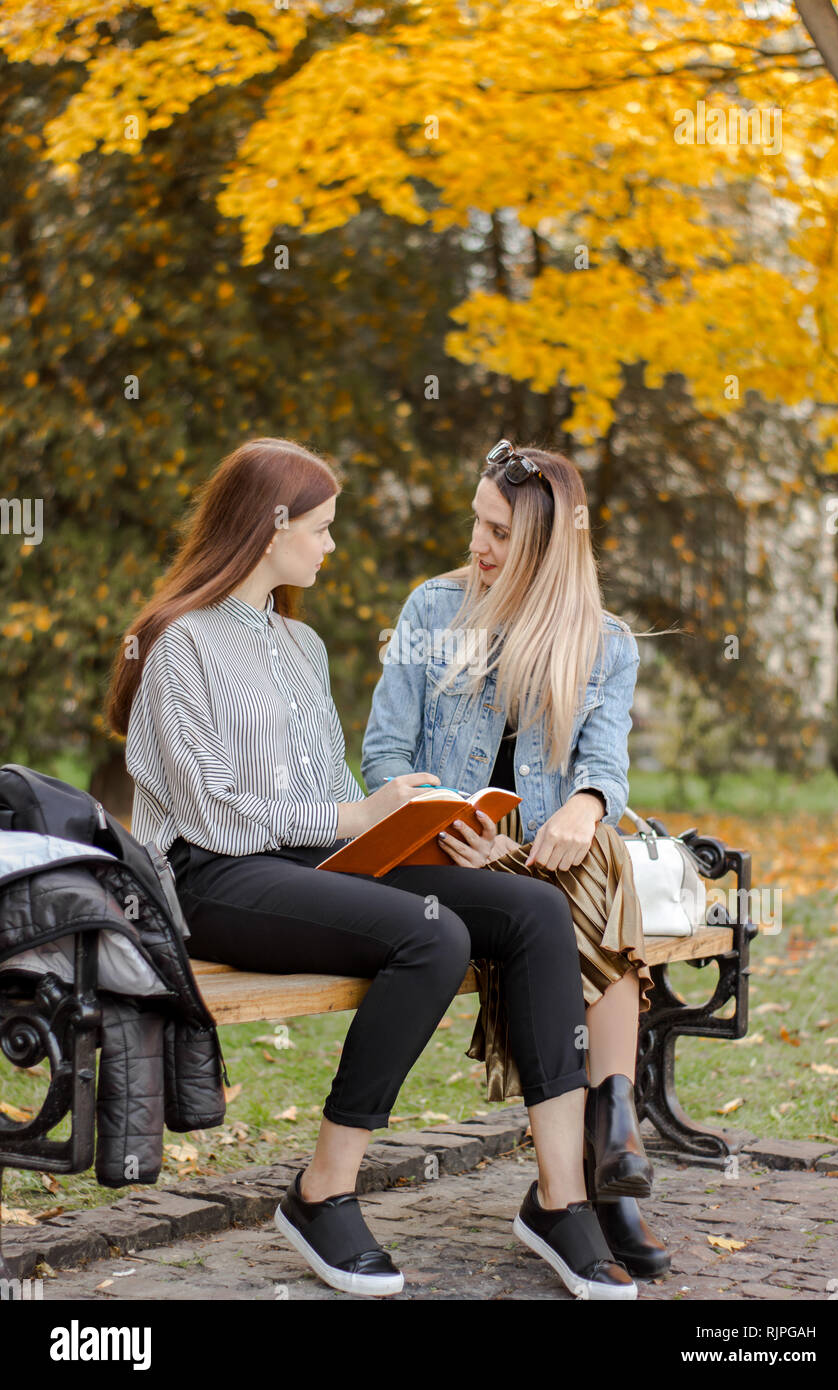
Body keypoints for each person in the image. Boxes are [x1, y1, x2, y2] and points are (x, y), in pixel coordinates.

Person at [105, 436, 640, 1300]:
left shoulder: (301, 647)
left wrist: (395, 821)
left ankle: (561, 1199)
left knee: (529, 913)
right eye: (320, 528)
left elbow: (332, 789)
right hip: (207, 879)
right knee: (431, 935)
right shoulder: (179, 644)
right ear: (268, 529)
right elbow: (210, 814)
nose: (331, 545)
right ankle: (323, 1190)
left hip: (311, 864)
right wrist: (351, 815)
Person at [361, 438, 669, 1278]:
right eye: (476, 523)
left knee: (598, 854)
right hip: (453, 853)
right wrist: (445, 817)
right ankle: (604, 1162)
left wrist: (582, 804)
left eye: (497, 531)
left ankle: (599, 1158)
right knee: (585, 892)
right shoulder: (433, 612)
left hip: (545, 855)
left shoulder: (601, 640)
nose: (478, 545)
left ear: (543, 544)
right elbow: (382, 757)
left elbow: (606, 761)